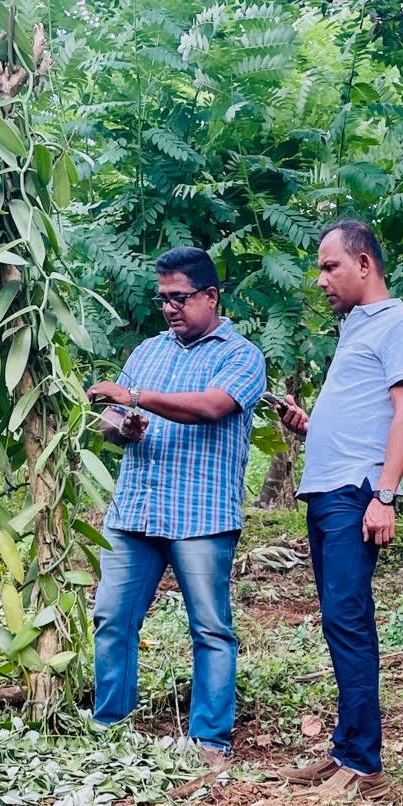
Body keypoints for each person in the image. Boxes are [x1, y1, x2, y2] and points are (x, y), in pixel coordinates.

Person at [88, 246, 265, 763]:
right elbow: (109, 426)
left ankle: (210, 742)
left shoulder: (241, 356)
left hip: (201, 516)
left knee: (210, 628)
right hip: (136, 512)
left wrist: (135, 398)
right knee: (112, 619)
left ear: (210, 296)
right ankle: (111, 730)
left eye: (180, 298)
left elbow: (212, 406)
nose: (169, 308)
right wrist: (123, 426)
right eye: (163, 298)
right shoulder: (148, 352)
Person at [278, 220, 403, 796]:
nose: (321, 280)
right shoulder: (354, 329)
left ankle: (364, 765)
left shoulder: (401, 326)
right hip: (327, 491)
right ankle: (345, 748)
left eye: (329, 266)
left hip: (355, 494)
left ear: (364, 264)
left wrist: (384, 495)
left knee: (349, 620)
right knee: (338, 621)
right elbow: (362, 415)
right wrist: (308, 425)